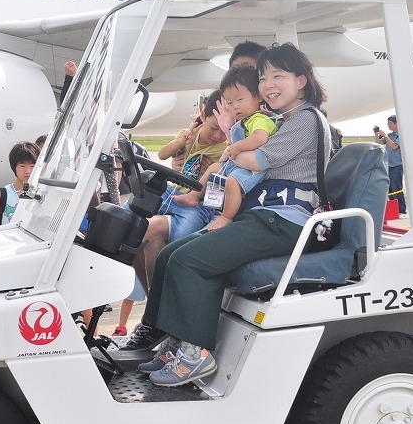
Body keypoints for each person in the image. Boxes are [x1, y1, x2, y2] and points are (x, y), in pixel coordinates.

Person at [121, 43, 330, 386]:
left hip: (286, 221)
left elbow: (253, 161)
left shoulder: (305, 121)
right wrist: (235, 140)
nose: (268, 84)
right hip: (263, 217)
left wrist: (237, 150)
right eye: (263, 78)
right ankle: (172, 339)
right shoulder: (282, 120)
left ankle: (196, 353)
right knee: (173, 254)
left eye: (279, 76)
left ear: (301, 81)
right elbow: (238, 158)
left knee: (191, 261)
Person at [127, 90, 228, 298]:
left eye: (223, 131)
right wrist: (182, 142)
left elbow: (220, 175)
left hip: (195, 205)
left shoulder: (224, 148)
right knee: (129, 222)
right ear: (202, 115)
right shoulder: (189, 136)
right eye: (214, 128)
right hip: (172, 194)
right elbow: (164, 154)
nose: (217, 135)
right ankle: (154, 301)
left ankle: (163, 299)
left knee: (179, 244)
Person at [204, 66, 279, 231]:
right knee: (214, 169)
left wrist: (237, 147)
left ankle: (226, 217)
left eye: (240, 100)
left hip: (254, 169)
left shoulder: (259, 119)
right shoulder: (243, 122)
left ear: (258, 96)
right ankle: (195, 196)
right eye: (230, 103)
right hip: (240, 162)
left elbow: (260, 137)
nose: (235, 107)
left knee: (232, 182)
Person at [0, 140, 39, 231]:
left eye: (32, 166)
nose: (28, 171)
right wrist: (8, 232)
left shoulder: (41, 194)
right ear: (14, 167)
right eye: (22, 166)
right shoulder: (2, 194)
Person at [377, 114, 405, 215]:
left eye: (390, 123)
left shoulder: (400, 135)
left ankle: (401, 209)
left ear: (397, 124)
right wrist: (377, 134)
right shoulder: (391, 135)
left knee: (397, 188)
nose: (389, 125)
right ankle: (394, 209)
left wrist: (385, 136)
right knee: (389, 189)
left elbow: (394, 146)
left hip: (397, 165)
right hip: (388, 165)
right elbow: (379, 142)